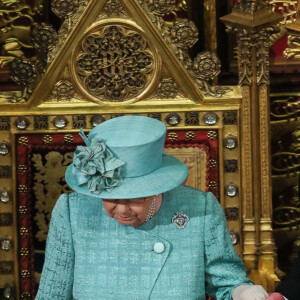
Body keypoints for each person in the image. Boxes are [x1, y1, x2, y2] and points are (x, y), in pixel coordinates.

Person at [36, 115, 269, 299]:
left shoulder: (201, 209)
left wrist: (242, 293)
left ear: (157, 186)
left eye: (136, 199)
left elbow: (227, 284)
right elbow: (51, 295)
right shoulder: (72, 213)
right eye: (111, 198)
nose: (122, 210)